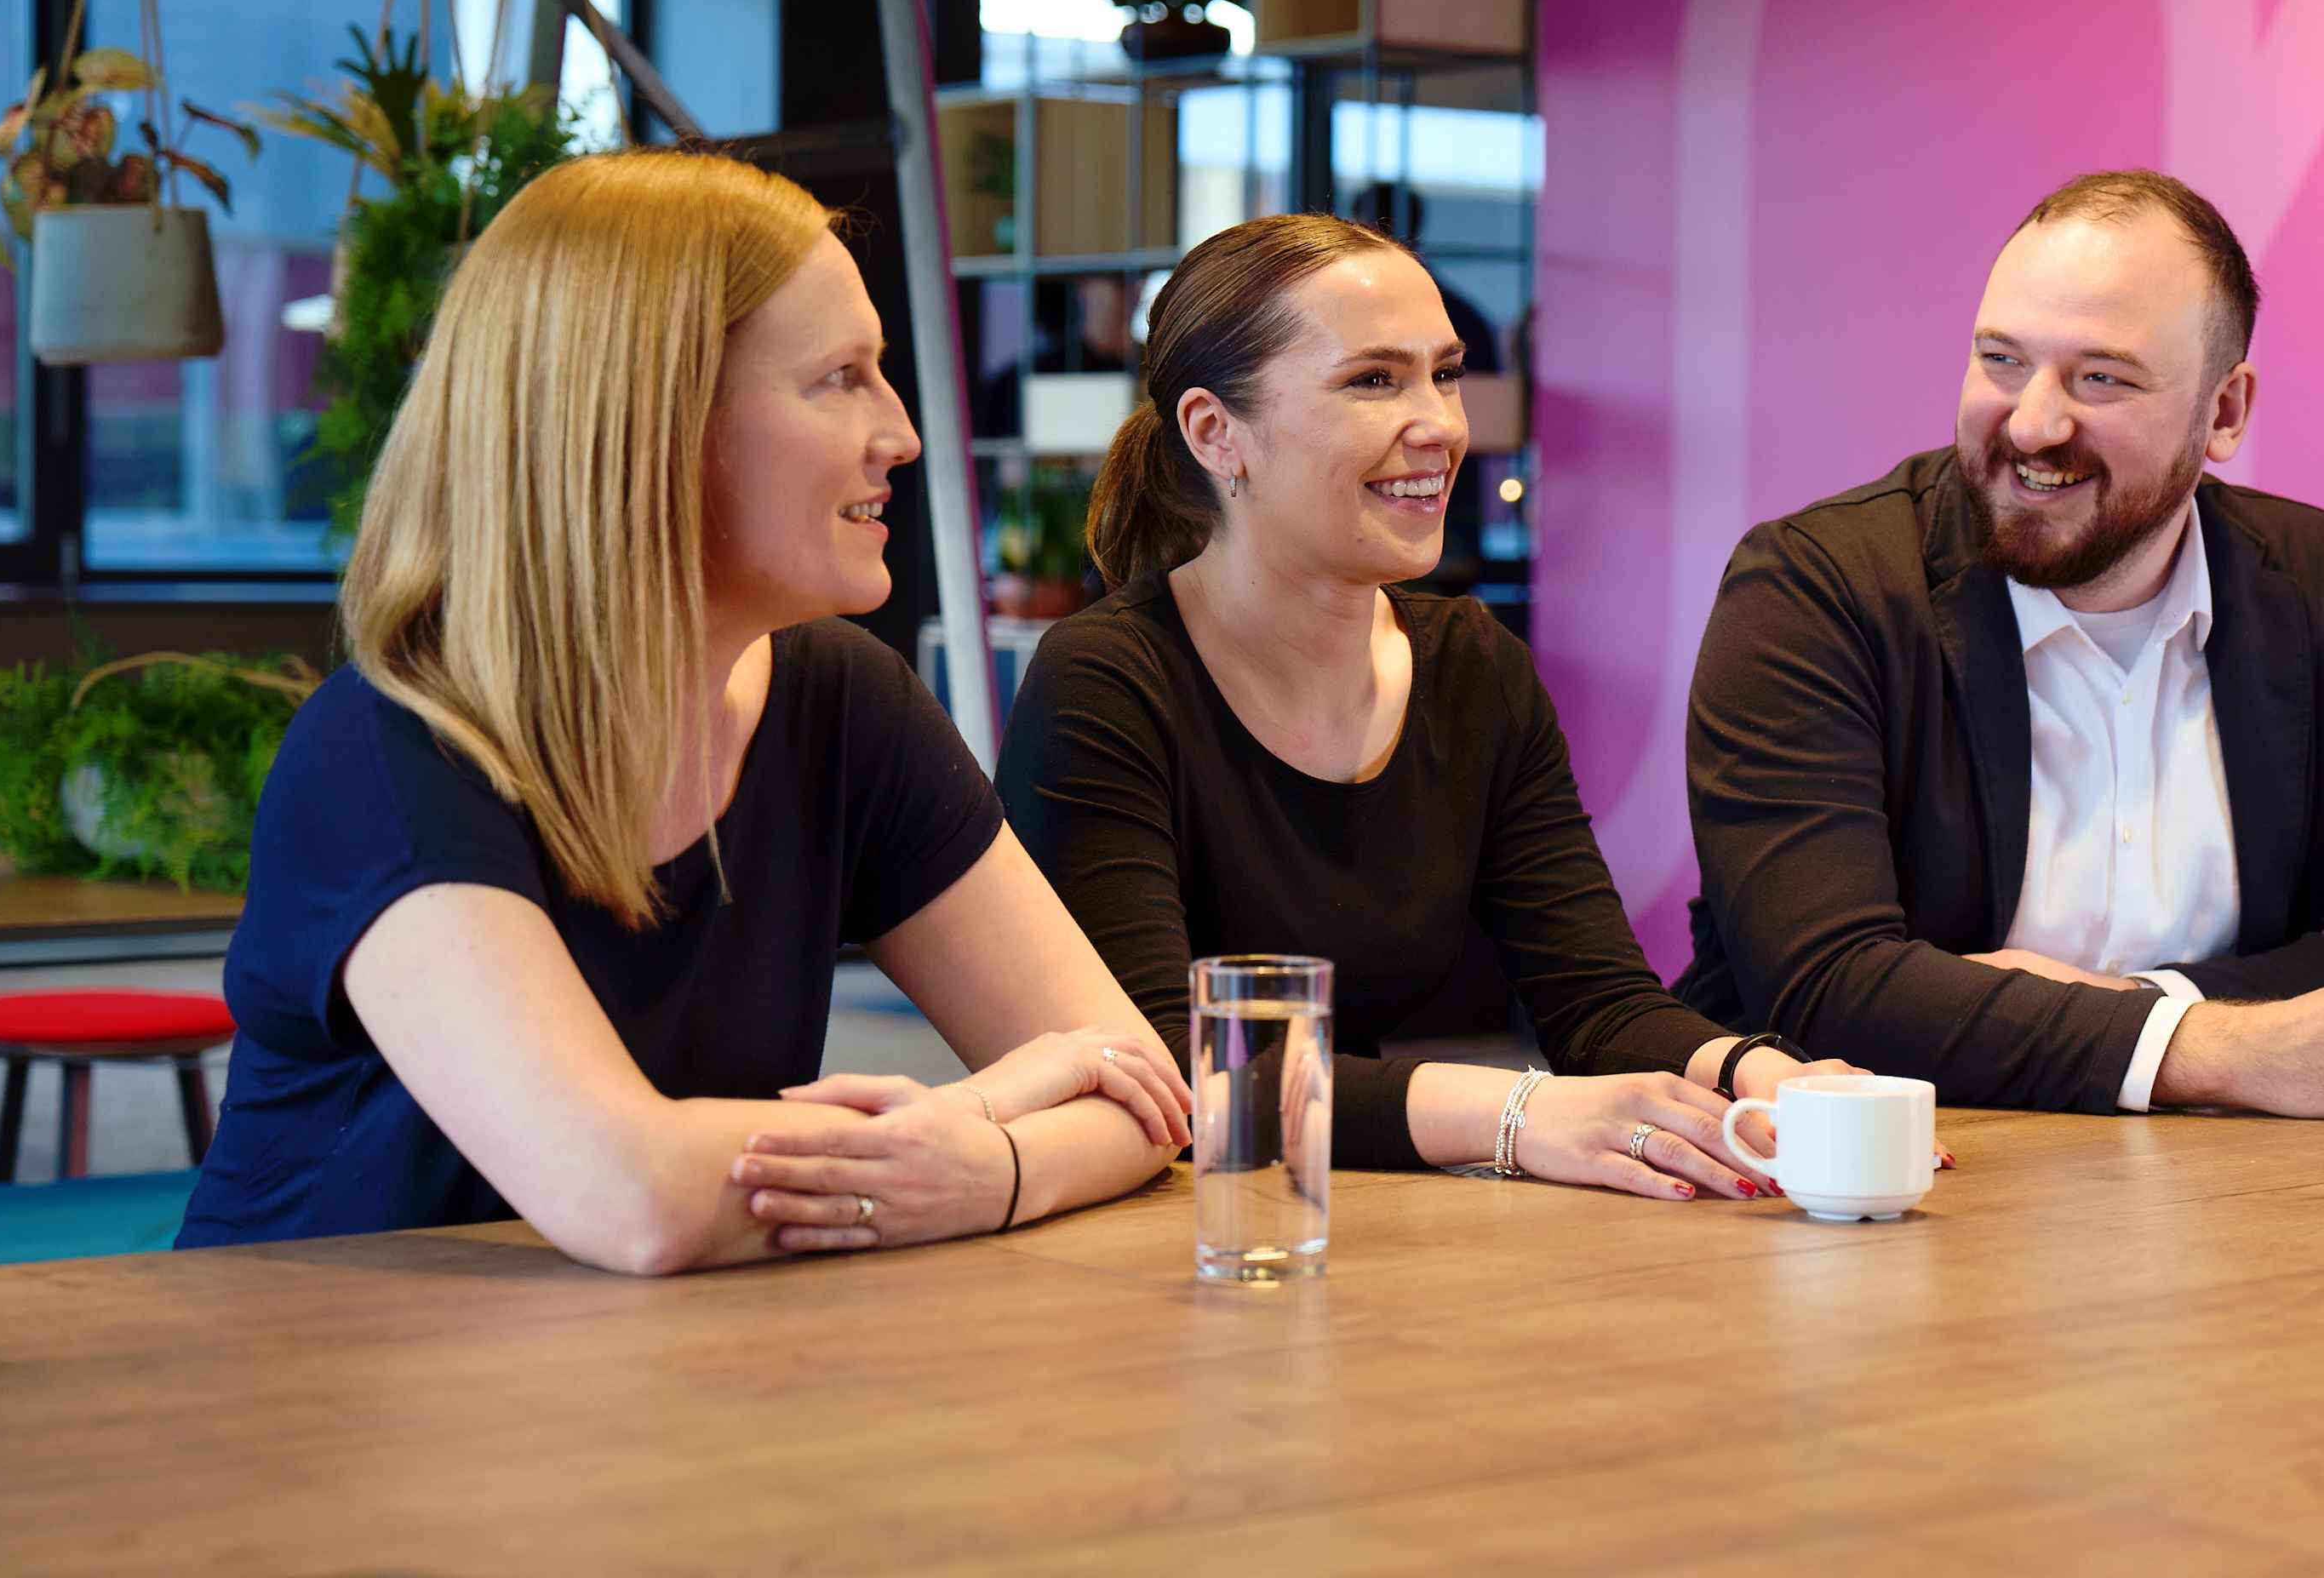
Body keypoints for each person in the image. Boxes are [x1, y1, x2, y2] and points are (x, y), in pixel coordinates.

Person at [178, 151, 1188, 1271]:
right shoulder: (388, 752)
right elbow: (633, 1196)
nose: (898, 431)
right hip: (309, 1398)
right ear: (650, 421)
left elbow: (1137, 1092)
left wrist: (981, 1161)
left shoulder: (842, 703)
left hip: (643, 1384)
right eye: (839, 377)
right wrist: (999, 1105)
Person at [996, 213, 1881, 1201]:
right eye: (1374, 381)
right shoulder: (1106, 683)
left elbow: (1597, 1005)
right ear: (1216, 433)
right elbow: (1173, 1073)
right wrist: (1513, 1113)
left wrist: (1756, 1073)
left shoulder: (1469, 666)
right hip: (1160, 1249)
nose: (1443, 426)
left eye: (1445, 374)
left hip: (1347, 1215)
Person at [1678, 170, 2324, 1120]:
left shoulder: (2323, 582)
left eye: (2100, 378)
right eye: (2001, 360)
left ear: (2226, 412)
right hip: (1861, 1199)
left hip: (2234, 1204)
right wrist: (2222, 1049)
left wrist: (2137, 1009)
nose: (2034, 421)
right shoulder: (1812, 586)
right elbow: (1829, 987)